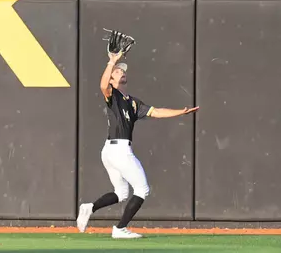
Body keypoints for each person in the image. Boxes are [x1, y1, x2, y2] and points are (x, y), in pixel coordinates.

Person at [76, 50, 199, 239]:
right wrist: (112, 62)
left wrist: (180, 113)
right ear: (111, 79)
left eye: (122, 71)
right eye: (117, 72)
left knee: (121, 192)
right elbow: (103, 85)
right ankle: (119, 229)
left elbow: (156, 112)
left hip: (111, 150)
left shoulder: (133, 102)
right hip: (118, 150)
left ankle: (90, 207)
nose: (121, 72)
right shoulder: (112, 95)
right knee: (142, 189)